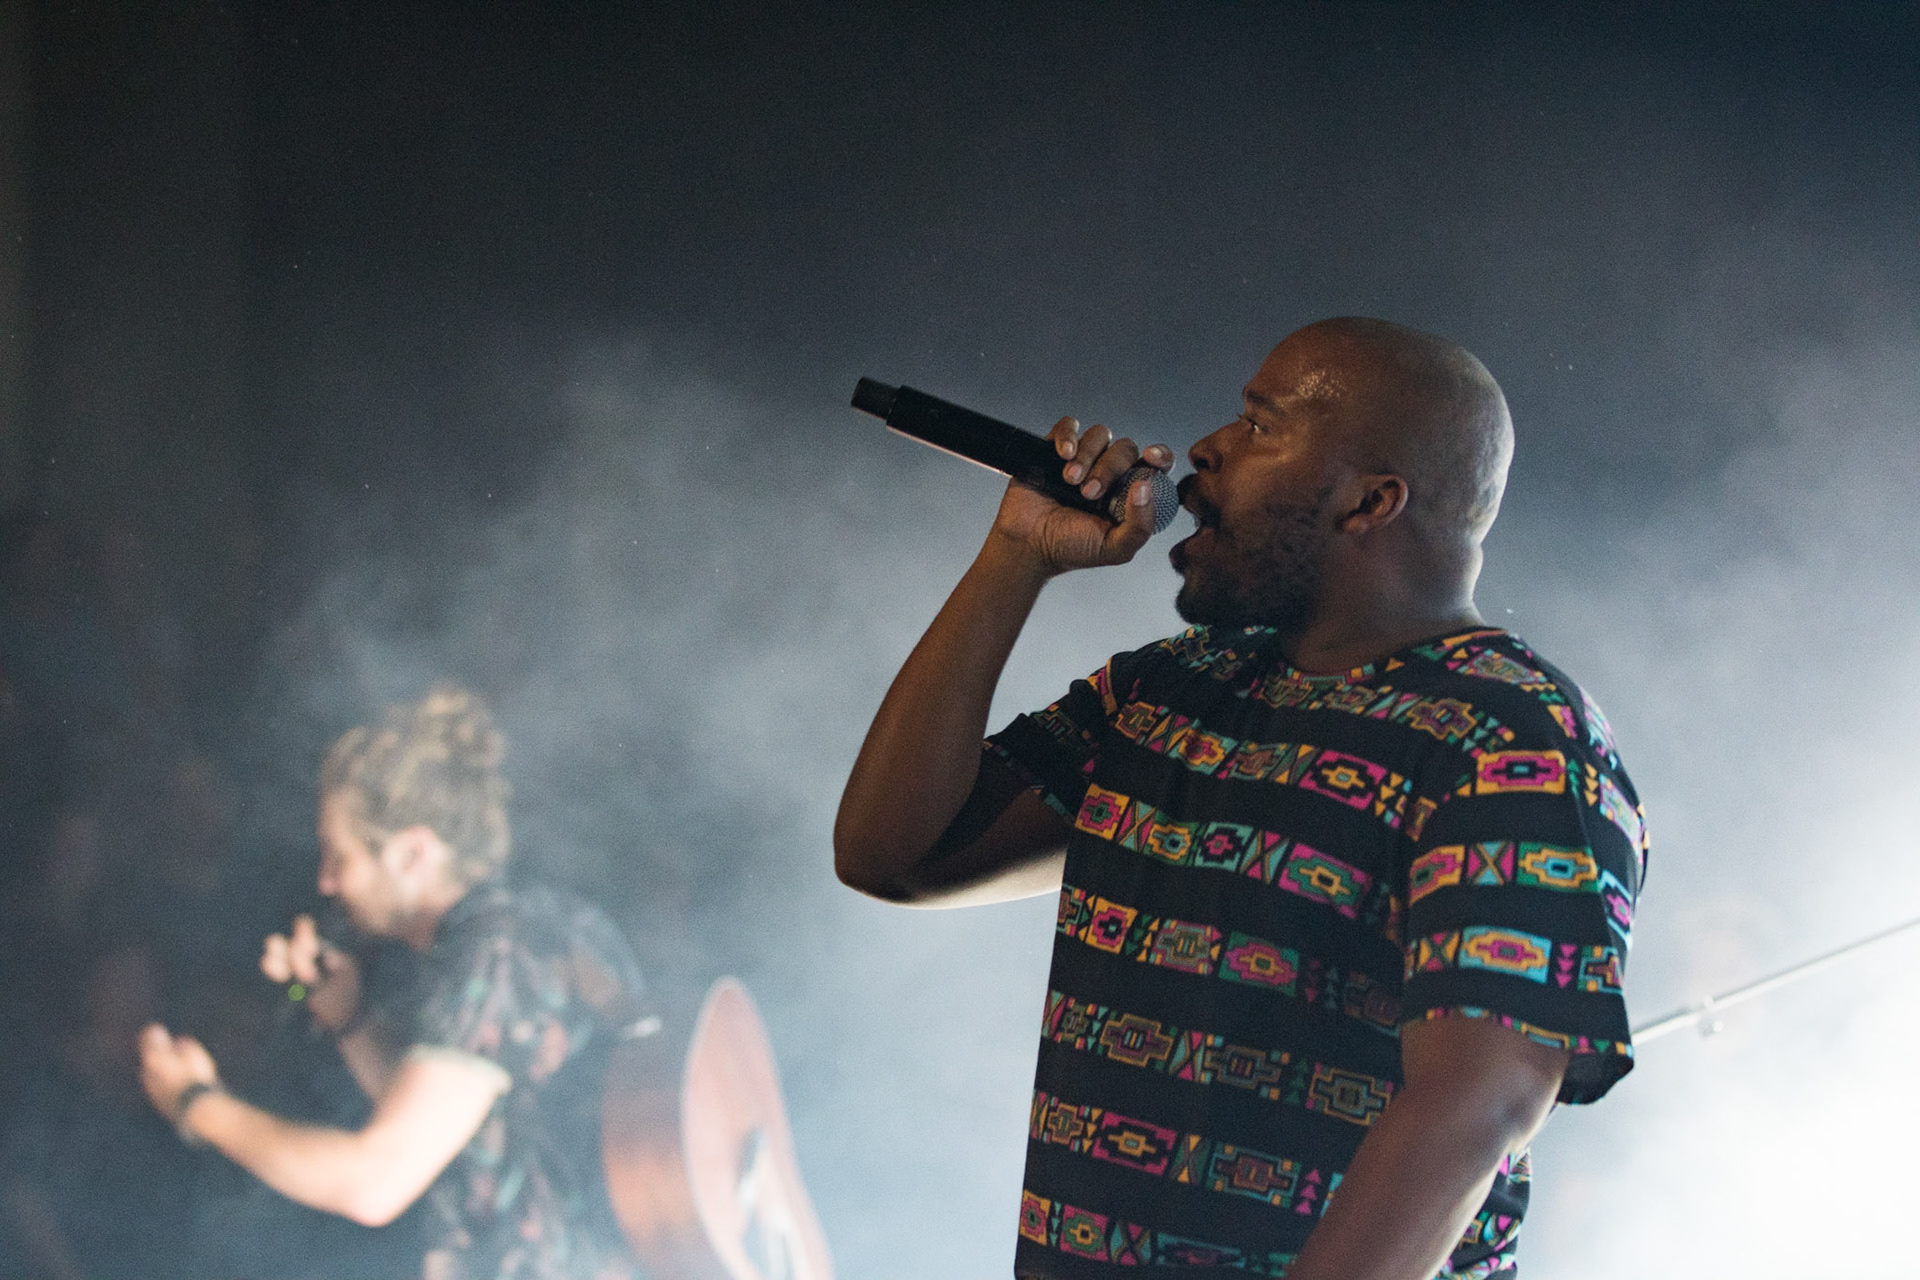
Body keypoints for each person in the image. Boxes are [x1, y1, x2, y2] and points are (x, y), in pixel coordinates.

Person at [835, 317, 1646, 1279]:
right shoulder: (1171, 688)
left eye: (1261, 426)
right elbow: (896, 857)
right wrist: (1017, 556)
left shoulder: (1511, 737)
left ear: (1371, 500)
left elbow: (1477, 1105)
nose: (1207, 448)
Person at [137, 684, 648, 1280]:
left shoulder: (496, 952)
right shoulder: (527, 926)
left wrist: (198, 1104)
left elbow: (375, 1182)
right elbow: (445, 1133)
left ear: (413, 853)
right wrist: (350, 1018)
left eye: (341, 857)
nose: (326, 882)